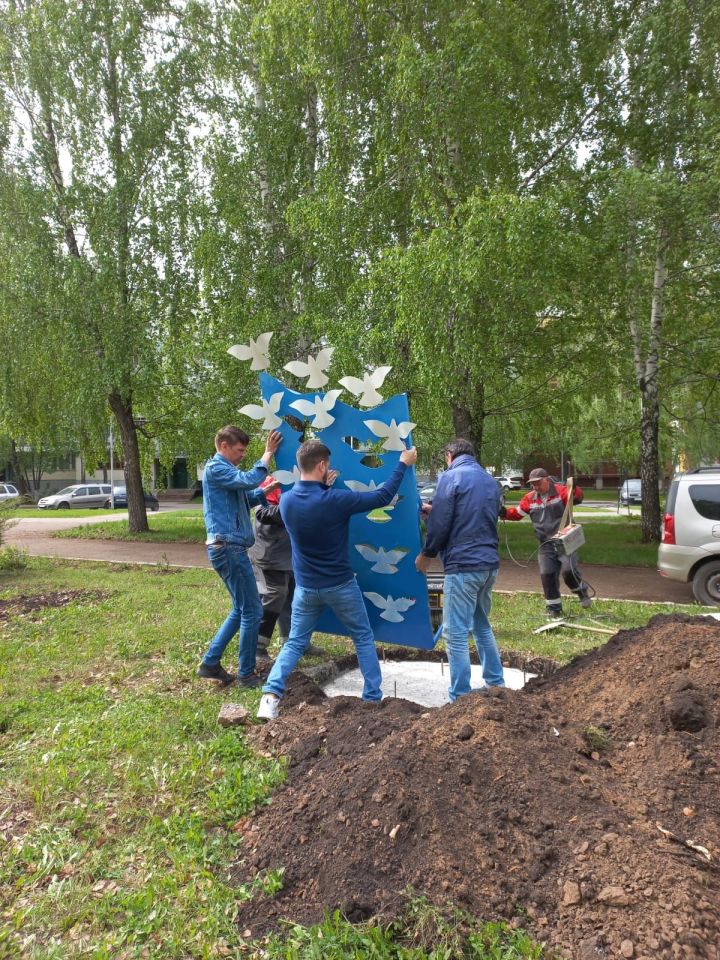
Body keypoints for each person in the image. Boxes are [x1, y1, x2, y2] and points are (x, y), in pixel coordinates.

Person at [257, 438, 417, 720]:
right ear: (322, 465)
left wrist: (323, 487)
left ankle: (269, 698)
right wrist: (402, 464)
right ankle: (371, 700)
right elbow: (382, 496)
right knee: (363, 637)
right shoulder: (337, 500)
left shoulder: (288, 502)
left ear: (299, 465)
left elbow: (311, 506)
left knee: (294, 643)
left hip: (306, 589)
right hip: (340, 585)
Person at [415, 438, 505, 702]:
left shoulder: (450, 477)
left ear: (449, 455)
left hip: (463, 565)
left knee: (454, 633)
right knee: (481, 625)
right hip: (488, 564)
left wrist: (427, 553)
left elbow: (443, 523)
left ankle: (460, 697)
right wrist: (436, 510)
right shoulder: (490, 481)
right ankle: (496, 684)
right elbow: (471, 514)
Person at [197, 425, 282, 687]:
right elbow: (248, 480)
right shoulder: (217, 468)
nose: (243, 455)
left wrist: (265, 493)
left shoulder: (225, 472)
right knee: (253, 611)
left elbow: (243, 498)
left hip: (229, 547)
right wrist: (267, 454)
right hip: (229, 548)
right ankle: (246, 674)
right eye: (240, 450)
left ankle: (210, 663)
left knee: (240, 609)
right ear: (224, 446)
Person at [249, 477, 323, 660]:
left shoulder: (303, 482)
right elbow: (263, 513)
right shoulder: (273, 481)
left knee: (293, 598)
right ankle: (257, 646)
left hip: (289, 555)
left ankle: (294, 643)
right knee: (275, 595)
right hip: (269, 554)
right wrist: (300, 502)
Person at [501, 467, 591, 617]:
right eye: (533, 484)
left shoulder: (561, 491)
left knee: (569, 572)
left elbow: (576, 498)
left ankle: (582, 591)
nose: (535, 487)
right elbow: (517, 513)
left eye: (538, 483)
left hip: (565, 540)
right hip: (545, 544)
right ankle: (554, 609)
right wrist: (503, 512)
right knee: (547, 574)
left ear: (547, 480)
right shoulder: (529, 498)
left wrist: (574, 488)